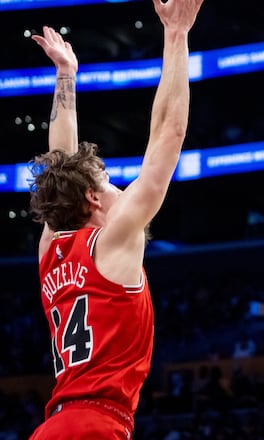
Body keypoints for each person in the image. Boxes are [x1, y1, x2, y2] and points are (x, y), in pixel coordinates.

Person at [27, 0, 203, 438]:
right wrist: (177, 35)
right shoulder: (113, 241)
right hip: (96, 425)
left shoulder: (53, 250)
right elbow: (169, 132)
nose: (118, 187)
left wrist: (66, 76)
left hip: (53, 426)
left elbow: (60, 162)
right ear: (92, 199)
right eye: (107, 180)